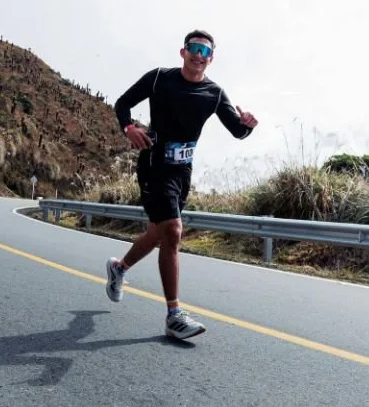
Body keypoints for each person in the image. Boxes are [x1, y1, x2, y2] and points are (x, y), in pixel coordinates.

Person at [106, 31, 257, 340]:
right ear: (183, 51)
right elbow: (122, 103)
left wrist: (248, 126)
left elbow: (237, 133)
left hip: (182, 172)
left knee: (156, 233)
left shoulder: (214, 93)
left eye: (205, 50)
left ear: (211, 58)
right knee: (173, 231)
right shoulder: (160, 78)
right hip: (153, 165)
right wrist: (129, 128)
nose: (198, 55)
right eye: (194, 48)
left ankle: (119, 268)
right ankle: (174, 315)